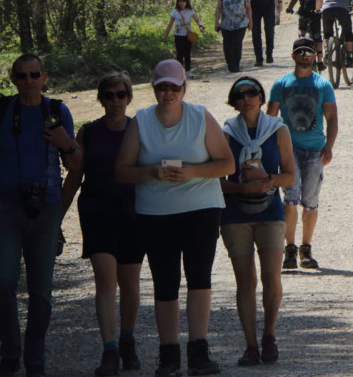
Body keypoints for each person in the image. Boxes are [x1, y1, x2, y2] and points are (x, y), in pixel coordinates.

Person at [115, 60, 235, 377]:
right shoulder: (140, 121)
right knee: (164, 283)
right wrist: (153, 172)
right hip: (155, 213)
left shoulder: (200, 117)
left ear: (184, 88)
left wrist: (193, 171)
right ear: (154, 88)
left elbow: (227, 164)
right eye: (162, 87)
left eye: (175, 87)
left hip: (202, 209)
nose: (168, 93)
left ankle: (199, 351)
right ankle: (168, 355)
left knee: (199, 279)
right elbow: (122, 171)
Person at [0, 54, 81, 377]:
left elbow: (76, 170)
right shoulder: (2, 110)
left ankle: (35, 359)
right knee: (3, 280)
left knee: (40, 288)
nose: (28, 81)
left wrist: (67, 144)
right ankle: (10, 354)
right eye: (21, 76)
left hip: (45, 208)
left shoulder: (57, 111)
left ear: (44, 77)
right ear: (12, 78)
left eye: (34, 74)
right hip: (5, 206)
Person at [68, 73, 144, 377]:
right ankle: (110, 349)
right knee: (104, 280)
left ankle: (127, 340)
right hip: (97, 210)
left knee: (130, 284)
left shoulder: (140, 131)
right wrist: (55, 218)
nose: (115, 101)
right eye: (109, 95)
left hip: (132, 213)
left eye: (121, 95)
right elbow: (74, 176)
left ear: (129, 98)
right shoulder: (88, 132)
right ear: (100, 98)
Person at [219, 76, 296, 367]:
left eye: (252, 93)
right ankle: (250, 345)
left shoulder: (278, 130)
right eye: (240, 95)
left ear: (262, 98)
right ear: (234, 101)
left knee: (271, 277)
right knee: (246, 281)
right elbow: (216, 181)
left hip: (270, 212)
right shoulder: (227, 132)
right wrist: (242, 188)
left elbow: (290, 176)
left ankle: (269, 335)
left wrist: (268, 180)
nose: (246, 98)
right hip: (235, 214)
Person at [267, 38, 338, 270]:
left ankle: (306, 249)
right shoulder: (281, 84)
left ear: (315, 56)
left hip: (315, 150)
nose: (305, 56)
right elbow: (269, 120)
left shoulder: (323, 86)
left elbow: (332, 117)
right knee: (290, 198)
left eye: (309, 52)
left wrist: (329, 145)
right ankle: (290, 249)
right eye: (301, 52)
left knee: (310, 201)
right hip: (288, 150)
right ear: (293, 56)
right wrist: (269, 150)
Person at [284, 0, 325, 69]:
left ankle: (301, 40)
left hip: (303, 12)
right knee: (317, 36)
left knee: (301, 28)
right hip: (315, 13)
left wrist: (289, 9)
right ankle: (320, 61)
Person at [215, 0, 252, 73]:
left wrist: (250, 21)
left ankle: (236, 64)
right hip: (226, 24)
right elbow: (218, 8)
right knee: (227, 45)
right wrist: (217, 22)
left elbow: (248, 8)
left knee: (237, 44)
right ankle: (230, 64)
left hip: (241, 24)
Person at [164, 0, 206, 75]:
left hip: (187, 35)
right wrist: (166, 36)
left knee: (187, 53)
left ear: (186, 2)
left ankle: (188, 70)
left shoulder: (190, 11)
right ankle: (179, 72)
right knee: (179, 54)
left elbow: (197, 20)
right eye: (180, 1)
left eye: (183, 1)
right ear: (177, 2)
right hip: (178, 35)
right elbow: (170, 24)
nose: (182, 3)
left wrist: (200, 26)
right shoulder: (174, 12)